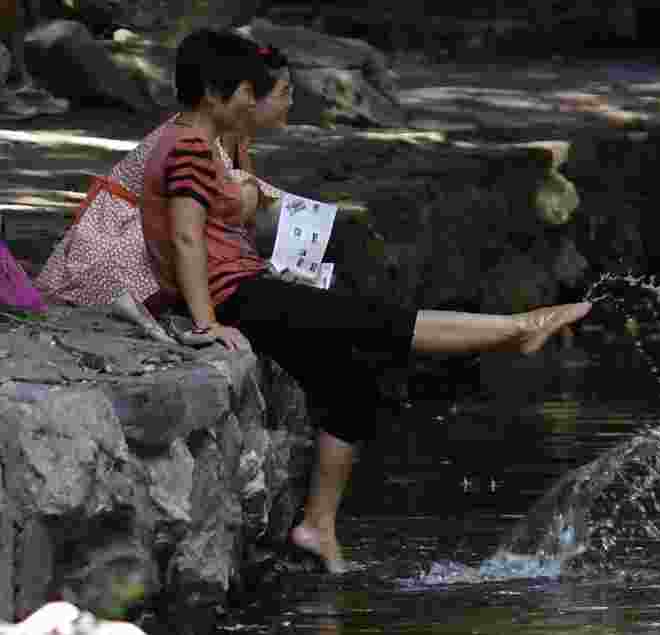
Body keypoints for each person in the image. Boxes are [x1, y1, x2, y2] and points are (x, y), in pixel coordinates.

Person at [142, 28, 592, 573]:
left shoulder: (197, 141)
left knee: (353, 379)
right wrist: (206, 321)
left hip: (246, 284)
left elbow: (211, 233)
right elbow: (186, 237)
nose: (254, 97)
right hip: (234, 297)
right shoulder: (186, 145)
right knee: (377, 322)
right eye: (246, 88)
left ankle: (317, 527)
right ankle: (517, 328)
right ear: (216, 94)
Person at [33, 41, 291, 341]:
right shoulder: (195, 141)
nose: (290, 103)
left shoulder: (226, 138)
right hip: (119, 244)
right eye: (283, 93)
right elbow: (199, 228)